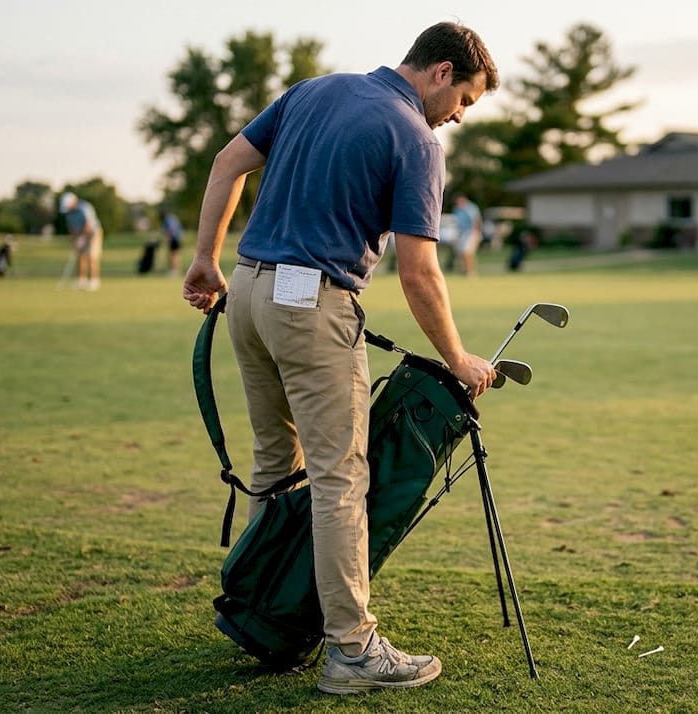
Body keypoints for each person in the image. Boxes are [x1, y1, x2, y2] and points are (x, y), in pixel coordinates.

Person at [182, 21, 499, 695]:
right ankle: (352, 648)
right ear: (442, 72)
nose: (457, 118)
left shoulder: (313, 90)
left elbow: (226, 164)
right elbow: (419, 271)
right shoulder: (415, 137)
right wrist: (459, 358)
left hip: (245, 292)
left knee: (278, 465)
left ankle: (266, 617)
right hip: (309, 305)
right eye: (465, 101)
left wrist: (205, 258)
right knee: (338, 480)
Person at [59, 192, 103, 290]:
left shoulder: (85, 207)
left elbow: (88, 223)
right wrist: (75, 241)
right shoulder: (69, 213)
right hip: (79, 234)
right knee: (80, 256)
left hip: (93, 233)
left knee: (92, 255)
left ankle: (94, 281)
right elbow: (72, 228)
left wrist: (82, 238)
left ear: (73, 202)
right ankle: (81, 280)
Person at [452, 193, 482, 276]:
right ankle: (465, 269)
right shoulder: (457, 209)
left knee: (467, 251)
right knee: (462, 252)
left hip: (471, 232)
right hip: (462, 233)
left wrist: (476, 233)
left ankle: (470, 270)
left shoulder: (470, 207)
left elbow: (476, 220)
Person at [160, 204, 184, 276]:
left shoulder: (168, 219)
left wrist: (168, 238)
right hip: (177, 238)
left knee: (173, 255)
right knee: (175, 254)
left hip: (174, 239)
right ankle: (175, 270)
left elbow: (171, 229)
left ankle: (174, 270)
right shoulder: (172, 217)